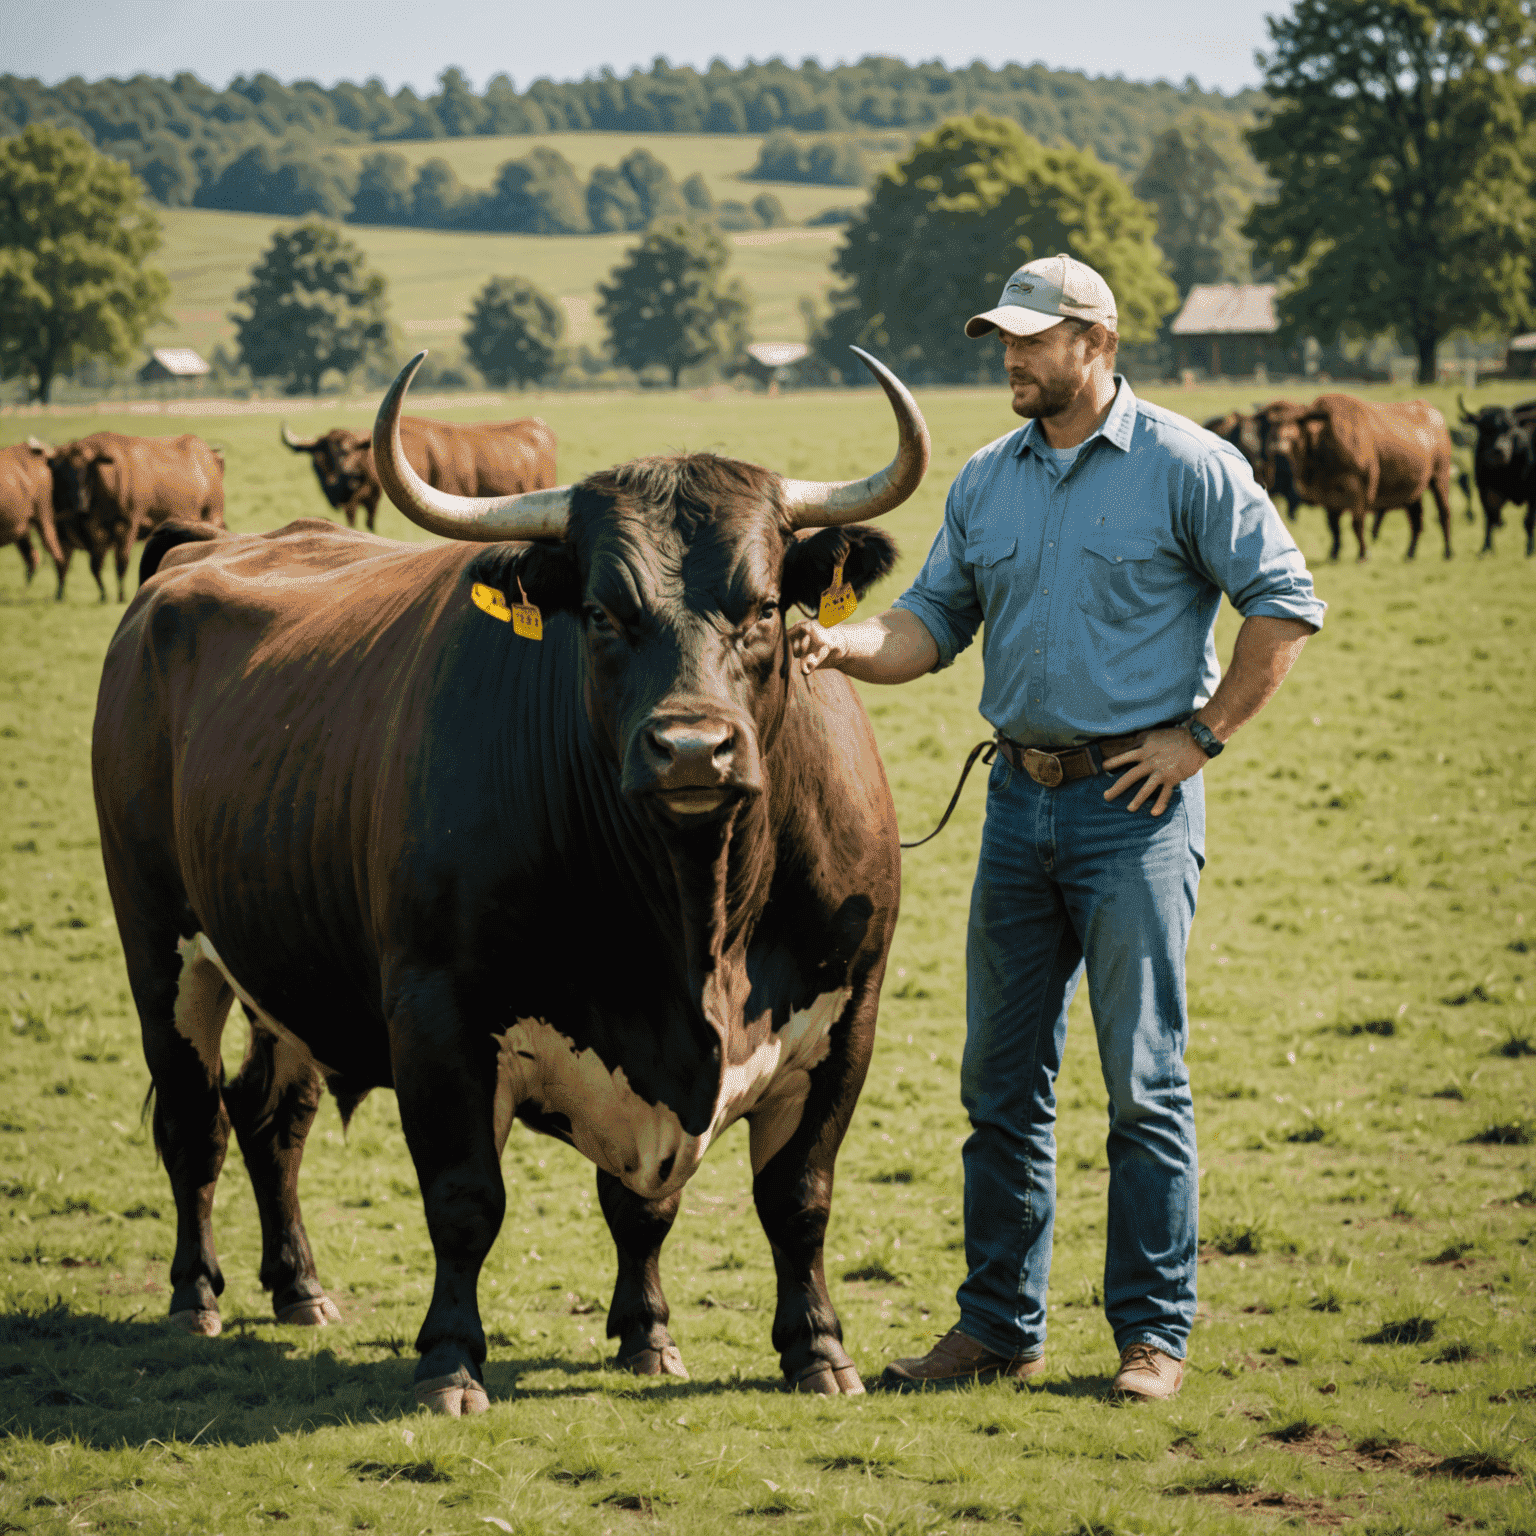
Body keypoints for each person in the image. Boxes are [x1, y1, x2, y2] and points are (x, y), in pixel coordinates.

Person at [788, 253, 1325, 1400]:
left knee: (1143, 1082)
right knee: (1000, 1084)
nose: (1014, 359)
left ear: (1099, 342)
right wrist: (840, 647)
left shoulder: (1189, 465)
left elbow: (1284, 604)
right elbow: (932, 622)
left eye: (1034, 339)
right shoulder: (989, 479)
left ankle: (1151, 1335)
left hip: (1135, 815)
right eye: (1004, 340)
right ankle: (998, 1327)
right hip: (1015, 805)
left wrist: (1202, 738)